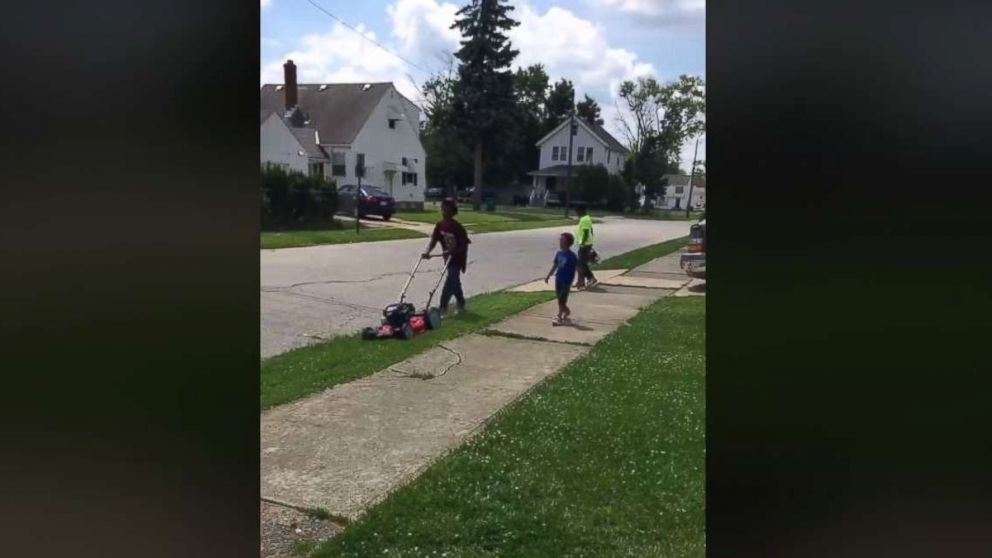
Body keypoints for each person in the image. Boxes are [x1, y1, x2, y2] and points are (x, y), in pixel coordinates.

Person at [422, 198, 471, 315]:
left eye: (446, 210)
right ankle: (461, 304)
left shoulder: (458, 228)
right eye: (442, 209)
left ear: (452, 211)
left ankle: (442, 308)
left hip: (457, 260)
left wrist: (451, 251)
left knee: (450, 282)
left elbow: (463, 246)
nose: (443, 212)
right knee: (455, 282)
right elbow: (434, 240)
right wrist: (427, 252)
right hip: (448, 259)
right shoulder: (440, 225)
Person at [545, 232, 578, 326]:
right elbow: (555, 265)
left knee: (562, 298)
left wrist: (580, 280)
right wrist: (548, 276)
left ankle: (559, 316)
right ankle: (566, 311)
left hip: (567, 280)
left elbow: (578, 268)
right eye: (560, 240)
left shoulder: (572, 256)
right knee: (559, 297)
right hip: (558, 278)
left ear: (567, 242)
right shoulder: (558, 253)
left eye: (562, 240)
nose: (559, 242)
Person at [574, 204, 598, 290]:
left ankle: (591, 278)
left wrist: (583, 242)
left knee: (581, 264)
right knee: (581, 263)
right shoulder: (587, 219)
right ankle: (581, 282)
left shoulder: (584, 219)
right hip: (587, 244)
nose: (576, 214)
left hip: (585, 244)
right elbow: (591, 230)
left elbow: (586, 232)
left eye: (577, 212)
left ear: (581, 211)